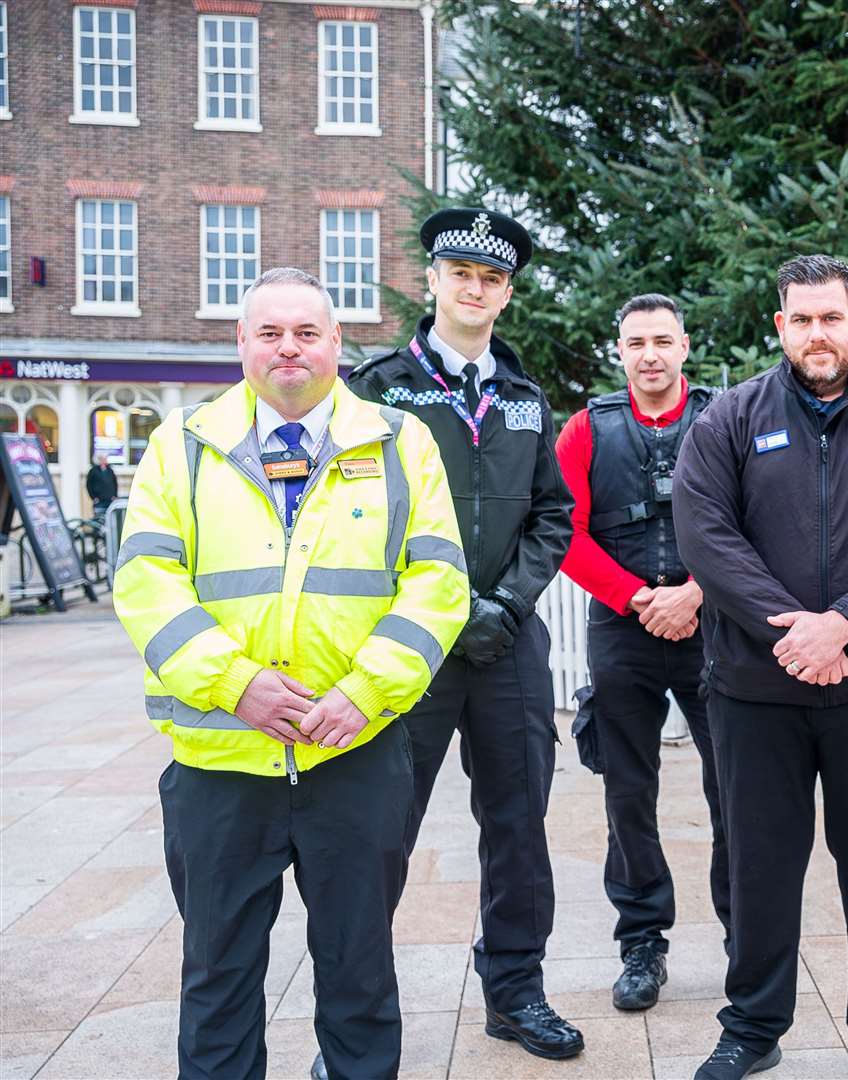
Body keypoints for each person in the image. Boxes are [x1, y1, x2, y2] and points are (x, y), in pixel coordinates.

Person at [112, 267, 468, 1080]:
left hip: (355, 755)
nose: (289, 348)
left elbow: (439, 580)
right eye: (269, 332)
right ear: (240, 344)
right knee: (218, 976)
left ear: (337, 344)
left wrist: (364, 691)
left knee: (359, 975)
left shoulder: (399, 442)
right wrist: (234, 683)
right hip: (220, 762)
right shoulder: (183, 445)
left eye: (307, 332)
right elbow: (145, 581)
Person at [673, 254, 848, 1080]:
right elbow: (706, 537)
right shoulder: (728, 417)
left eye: (831, 318)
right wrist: (792, 634)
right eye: (801, 320)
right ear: (780, 328)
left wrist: (844, 627)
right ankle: (752, 1028)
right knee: (758, 863)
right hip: (754, 691)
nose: (817, 334)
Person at [346, 208, 579, 1065]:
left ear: (505, 294)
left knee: (519, 824)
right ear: (434, 280)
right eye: (460, 274)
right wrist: (436, 609)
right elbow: (353, 515)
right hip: (407, 644)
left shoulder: (523, 397)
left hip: (506, 646)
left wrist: (509, 605)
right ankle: (356, 1011)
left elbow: (553, 513)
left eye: (491, 279)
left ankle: (515, 993)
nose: (474, 289)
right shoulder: (376, 388)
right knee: (380, 827)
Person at [555, 292, 730, 1009]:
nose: (650, 354)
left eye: (663, 340)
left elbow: (748, 519)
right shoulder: (584, 430)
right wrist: (637, 598)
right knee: (629, 793)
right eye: (636, 343)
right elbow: (563, 532)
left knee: (736, 790)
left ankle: (747, 941)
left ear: (684, 346)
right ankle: (641, 944)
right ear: (619, 351)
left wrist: (693, 591)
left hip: (712, 623)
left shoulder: (723, 419)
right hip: (621, 630)